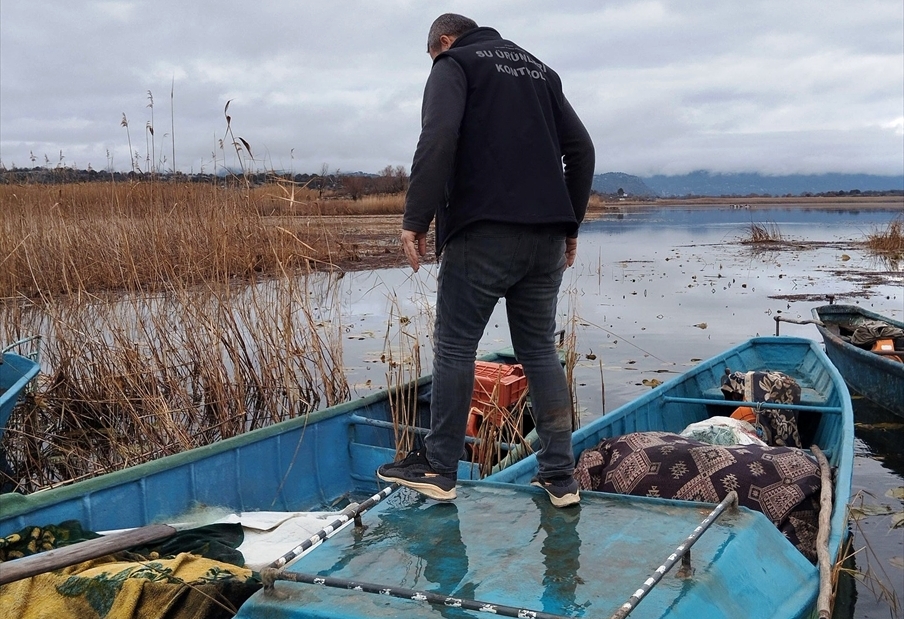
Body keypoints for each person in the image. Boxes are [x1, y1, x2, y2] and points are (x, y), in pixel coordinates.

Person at [377, 13, 595, 507]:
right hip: (545, 237)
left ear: (443, 41)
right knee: (539, 349)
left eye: (431, 56)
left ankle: (438, 468)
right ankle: (560, 477)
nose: (434, 63)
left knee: (454, 347)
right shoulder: (540, 70)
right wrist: (570, 221)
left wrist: (417, 216)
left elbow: (438, 135)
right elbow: (582, 150)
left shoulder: (454, 63)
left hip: (482, 233)